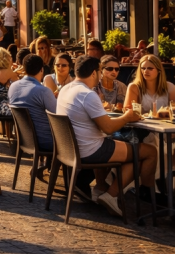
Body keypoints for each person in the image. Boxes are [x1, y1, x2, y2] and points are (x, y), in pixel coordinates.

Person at [58, 55, 157, 216]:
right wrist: (127, 117)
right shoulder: (87, 94)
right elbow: (108, 128)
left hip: (70, 148)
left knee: (133, 152)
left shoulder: (66, 89)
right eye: (100, 70)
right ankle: (123, 197)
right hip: (91, 150)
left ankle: (104, 189)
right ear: (94, 73)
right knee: (150, 152)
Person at [8, 52, 56, 158]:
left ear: (23, 69)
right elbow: (58, 115)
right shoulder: (43, 91)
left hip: (24, 139)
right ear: (42, 70)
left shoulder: (13, 87)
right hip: (46, 141)